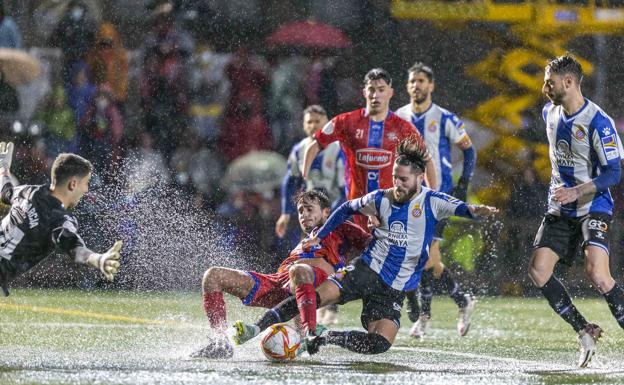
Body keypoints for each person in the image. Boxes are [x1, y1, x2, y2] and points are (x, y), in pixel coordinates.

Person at [233, 136, 497, 356]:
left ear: (420, 178)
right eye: (395, 177)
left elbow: (464, 208)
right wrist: (321, 235)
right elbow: (346, 208)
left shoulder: (433, 201)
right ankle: (256, 329)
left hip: (393, 287)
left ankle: (323, 338)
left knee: (379, 344)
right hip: (366, 270)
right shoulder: (381, 198)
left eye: (404, 179)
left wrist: (479, 210)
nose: (398, 184)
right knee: (314, 297)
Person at [528, 53, 624, 368]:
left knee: (598, 274)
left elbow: (614, 173)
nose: (545, 89)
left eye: (549, 83)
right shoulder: (548, 113)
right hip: (560, 208)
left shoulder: (598, 121)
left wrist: (577, 191)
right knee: (538, 271)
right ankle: (584, 330)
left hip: (592, 206)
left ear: (568, 82)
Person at [192, 190, 370, 359]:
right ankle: (221, 344)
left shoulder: (340, 227)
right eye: (300, 211)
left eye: (309, 209)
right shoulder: (305, 240)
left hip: (307, 284)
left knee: (298, 272)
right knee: (213, 275)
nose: (304, 214)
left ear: (326, 212)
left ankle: (308, 332)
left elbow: (372, 244)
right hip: (278, 283)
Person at [395, 62, 477, 338]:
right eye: (412, 81)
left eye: (421, 81)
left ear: (431, 86)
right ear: (407, 87)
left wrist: (463, 182)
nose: (416, 85)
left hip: (437, 196)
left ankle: (424, 317)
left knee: (426, 256)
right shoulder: (399, 116)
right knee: (429, 259)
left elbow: (469, 150)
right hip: (408, 197)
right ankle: (462, 301)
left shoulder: (444, 118)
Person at [302, 68, 437, 231]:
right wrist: (305, 174)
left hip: (392, 207)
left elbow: (426, 159)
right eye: (372, 89)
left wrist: (431, 197)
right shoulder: (345, 122)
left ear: (390, 93)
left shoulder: (403, 128)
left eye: (381, 90)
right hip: (356, 209)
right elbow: (316, 144)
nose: (376, 95)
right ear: (365, 92)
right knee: (353, 251)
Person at [0, 142, 123, 296]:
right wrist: (99, 259)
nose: (86, 189)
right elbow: (77, 250)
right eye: (86, 183)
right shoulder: (60, 219)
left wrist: (3, 166)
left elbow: (6, 191)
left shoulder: (29, 191)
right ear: (73, 184)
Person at [275, 105, 345, 325]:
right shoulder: (300, 149)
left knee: (335, 255)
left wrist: (333, 214)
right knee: (309, 256)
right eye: (309, 121)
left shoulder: (338, 148)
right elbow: (290, 180)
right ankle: (308, 301)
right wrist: (286, 213)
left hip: (335, 209)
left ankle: (331, 304)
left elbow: (346, 187)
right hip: (313, 213)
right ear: (304, 125)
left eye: (318, 121)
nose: (314, 125)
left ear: (327, 122)